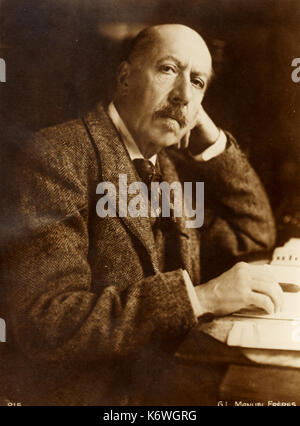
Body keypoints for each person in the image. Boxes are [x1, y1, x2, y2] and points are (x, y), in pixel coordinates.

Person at [1, 24, 282, 405]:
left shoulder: (169, 166)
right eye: (168, 70)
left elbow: (254, 235)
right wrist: (198, 298)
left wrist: (212, 140)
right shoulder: (58, 155)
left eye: (197, 82)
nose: (183, 95)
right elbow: (47, 322)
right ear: (125, 78)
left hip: (168, 386)